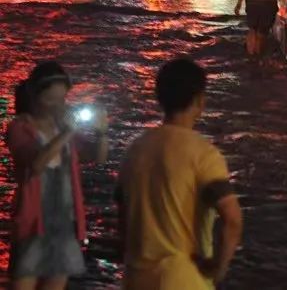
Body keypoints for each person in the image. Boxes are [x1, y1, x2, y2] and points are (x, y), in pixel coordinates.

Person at [118, 58, 243, 290]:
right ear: (199, 101)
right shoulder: (203, 154)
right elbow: (232, 220)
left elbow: (122, 223)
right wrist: (218, 268)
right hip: (184, 279)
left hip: (136, 279)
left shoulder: (134, 150)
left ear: (159, 98)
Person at [5, 62, 108, 290]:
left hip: (63, 225)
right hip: (33, 225)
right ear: (35, 97)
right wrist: (67, 133)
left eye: (62, 100)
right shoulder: (20, 128)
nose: (58, 107)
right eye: (51, 100)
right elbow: (36, 164)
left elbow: (97, 157)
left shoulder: (63, 129)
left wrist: (101, 133)